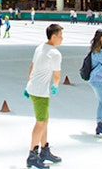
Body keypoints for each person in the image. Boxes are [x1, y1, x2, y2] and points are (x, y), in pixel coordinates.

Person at [24, 24, 64, 169]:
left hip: (34, 88)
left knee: (44, 120)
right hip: (41, 92)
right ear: (53, 37)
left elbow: (32, 66)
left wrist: (28, 84)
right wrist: (55, 86)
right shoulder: (55, 53)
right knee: (40, 122)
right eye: (60, 36)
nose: (62, 39)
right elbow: (57, 75)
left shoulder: (40, 47)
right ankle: (32, 155)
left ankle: (44, 150)